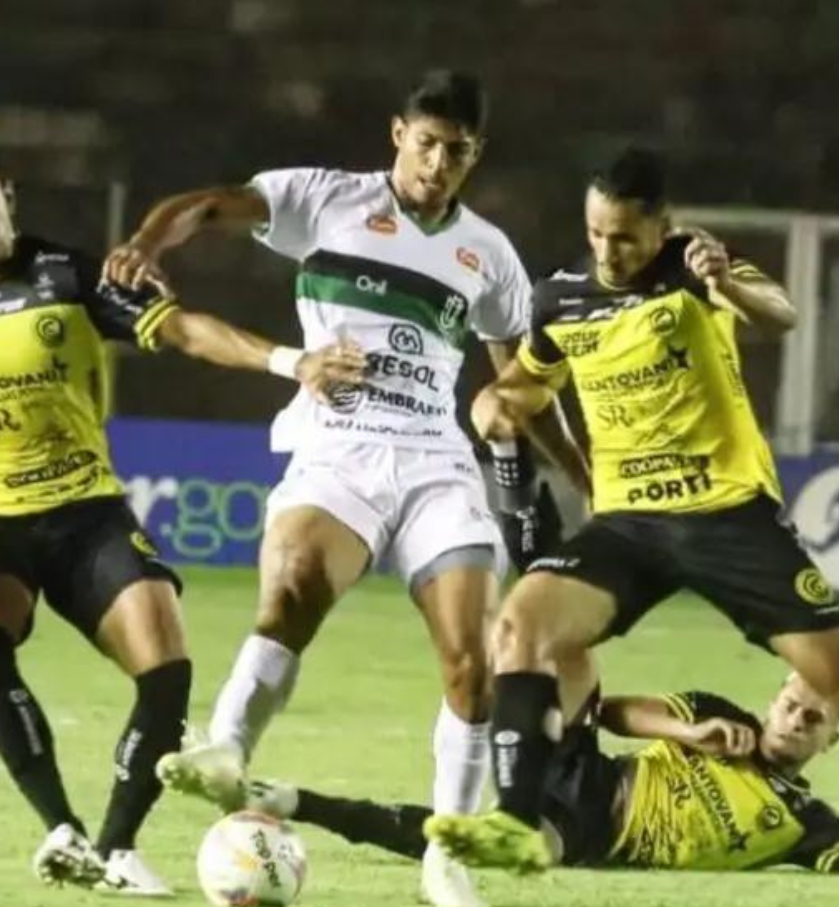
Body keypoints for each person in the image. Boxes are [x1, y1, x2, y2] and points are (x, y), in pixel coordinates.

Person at [425, 147, 839, 907]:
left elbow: (781, 315)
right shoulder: (559, 300)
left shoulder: (698, 268)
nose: (609, 250)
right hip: (631, 521)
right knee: (520, 629)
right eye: (598, 233)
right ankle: (512, 817)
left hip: (729, 514)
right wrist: (506, 414)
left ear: (661, 227)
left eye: (626, 237)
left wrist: (726, 280)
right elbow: (527, 385)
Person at [104, 69, 579, 907]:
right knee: (291, 586)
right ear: (398, 134)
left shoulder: (490, 256)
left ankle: (446, 851)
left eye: (456, 151)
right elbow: (208, 205)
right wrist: (149, 241)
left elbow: (523, 382)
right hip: (339, 449)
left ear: (476, 156)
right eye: (426, 143)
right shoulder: (324, 199)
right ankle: (227, 747)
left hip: (436, 461)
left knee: (473, 662)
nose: (437, 163)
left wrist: (585, 475)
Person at [0, 175, 361, 895]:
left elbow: (183, 329)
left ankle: (116, 847)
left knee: (166, 672)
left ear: (9, 195)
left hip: (85, 512)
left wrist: (293, 362)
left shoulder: (65, 275)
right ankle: (61, 828)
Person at [241, 664, 839, 879]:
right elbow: (614, 714)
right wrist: (687, 730)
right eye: (790, 702)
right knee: (570, 654)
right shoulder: (721, 719)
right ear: (774, 696)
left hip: (587, 827)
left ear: (834, 740)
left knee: (460, 844)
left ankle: (291, 798)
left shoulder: (804, 825)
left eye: (812, 718)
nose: (793, 718)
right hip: (586, 766)